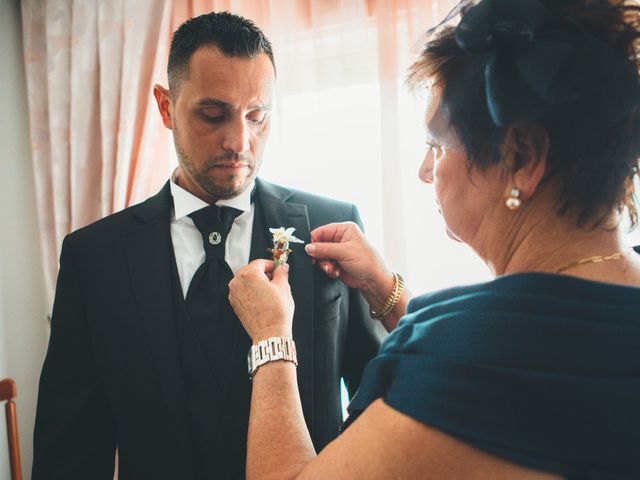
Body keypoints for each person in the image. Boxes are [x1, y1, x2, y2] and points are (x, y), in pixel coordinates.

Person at [228, 0, 640, 478]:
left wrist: (271, 337)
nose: (426, 172)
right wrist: (385, 288)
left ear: (523, 157)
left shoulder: (467, 358)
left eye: (438, 145)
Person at [32, 11, 385, 480]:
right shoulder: (94, 259)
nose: (239, 141)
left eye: (257, 116)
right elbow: (69, 453)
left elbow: (382, 404)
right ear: (166, 107)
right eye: (213, 114)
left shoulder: (331, 228)